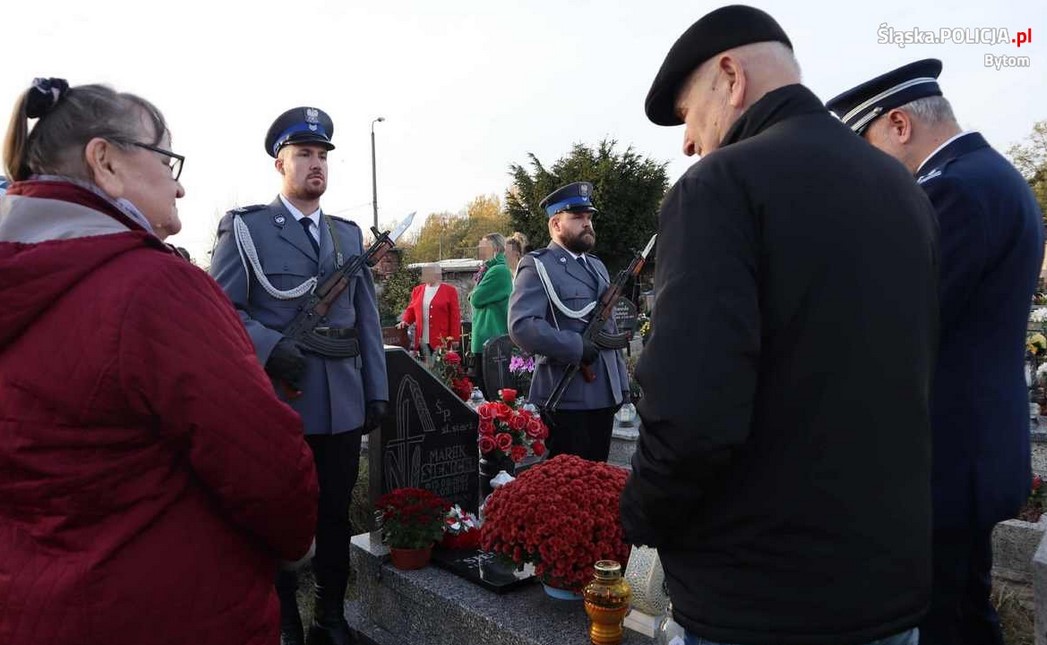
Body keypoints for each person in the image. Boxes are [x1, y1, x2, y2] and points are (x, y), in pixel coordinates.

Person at [618, 7, 940, 645]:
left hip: (759, 596)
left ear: (730, 77)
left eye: (687, 113)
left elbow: (693, 416)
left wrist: (635, 514)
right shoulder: (903, 187)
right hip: (887, 592)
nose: (687, 140)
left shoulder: (718, 186)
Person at [0, 78, 318, 645]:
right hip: (171, 609)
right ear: (106, 162)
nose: (180, 187)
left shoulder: (25, 279)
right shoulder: (153, 287)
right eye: (166, 159)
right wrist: (298, 544)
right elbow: (265, 465)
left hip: (37, 608)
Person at [828, 59, 1046, 645]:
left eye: (867, 146)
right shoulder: (988, 175)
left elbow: (895, 324)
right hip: (967, 447)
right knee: (960, 608)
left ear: (899, 124)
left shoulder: (950, 189)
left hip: (944, 457)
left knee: (940, 618)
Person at [210, 106, 389, 645]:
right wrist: (267, 346)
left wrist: (376, 391)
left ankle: (330, 618)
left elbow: (366, 318)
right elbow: (219, 311)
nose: (316, 164)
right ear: (279, 163)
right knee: (281, 517)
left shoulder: (346, 235)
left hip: (340, 400)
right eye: (305, 154)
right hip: (280, 402)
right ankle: (285, 623)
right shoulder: (248, 230)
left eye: (322, 155)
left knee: (335, 516)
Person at [509, 181, 629, 461]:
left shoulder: (596, 265)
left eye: (588, 217)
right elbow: (522, 325)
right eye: (577, 218)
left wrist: (621, 386)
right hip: (567, 395)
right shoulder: (538, 265)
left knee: (598, 481)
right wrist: (575, 346)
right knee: (568, 489)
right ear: (556, 224)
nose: (587, 224)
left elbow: (608, 329)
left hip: (604, 394)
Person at [469, 232, 512, 396]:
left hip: (492, 340)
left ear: (496, 248)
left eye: (483, 245)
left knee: (492, 393)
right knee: (482, 389)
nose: (480, 249)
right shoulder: (489, 269)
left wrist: (473, 294)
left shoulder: (498, 270)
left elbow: (476, 298)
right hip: (484, 339)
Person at [397, 263, 461, 353]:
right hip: (421, 339)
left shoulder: (450, 291)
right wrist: (405, 321)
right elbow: (411, 309)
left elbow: (455, 317)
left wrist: (455, 338)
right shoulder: (417, 290)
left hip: (441, 340)